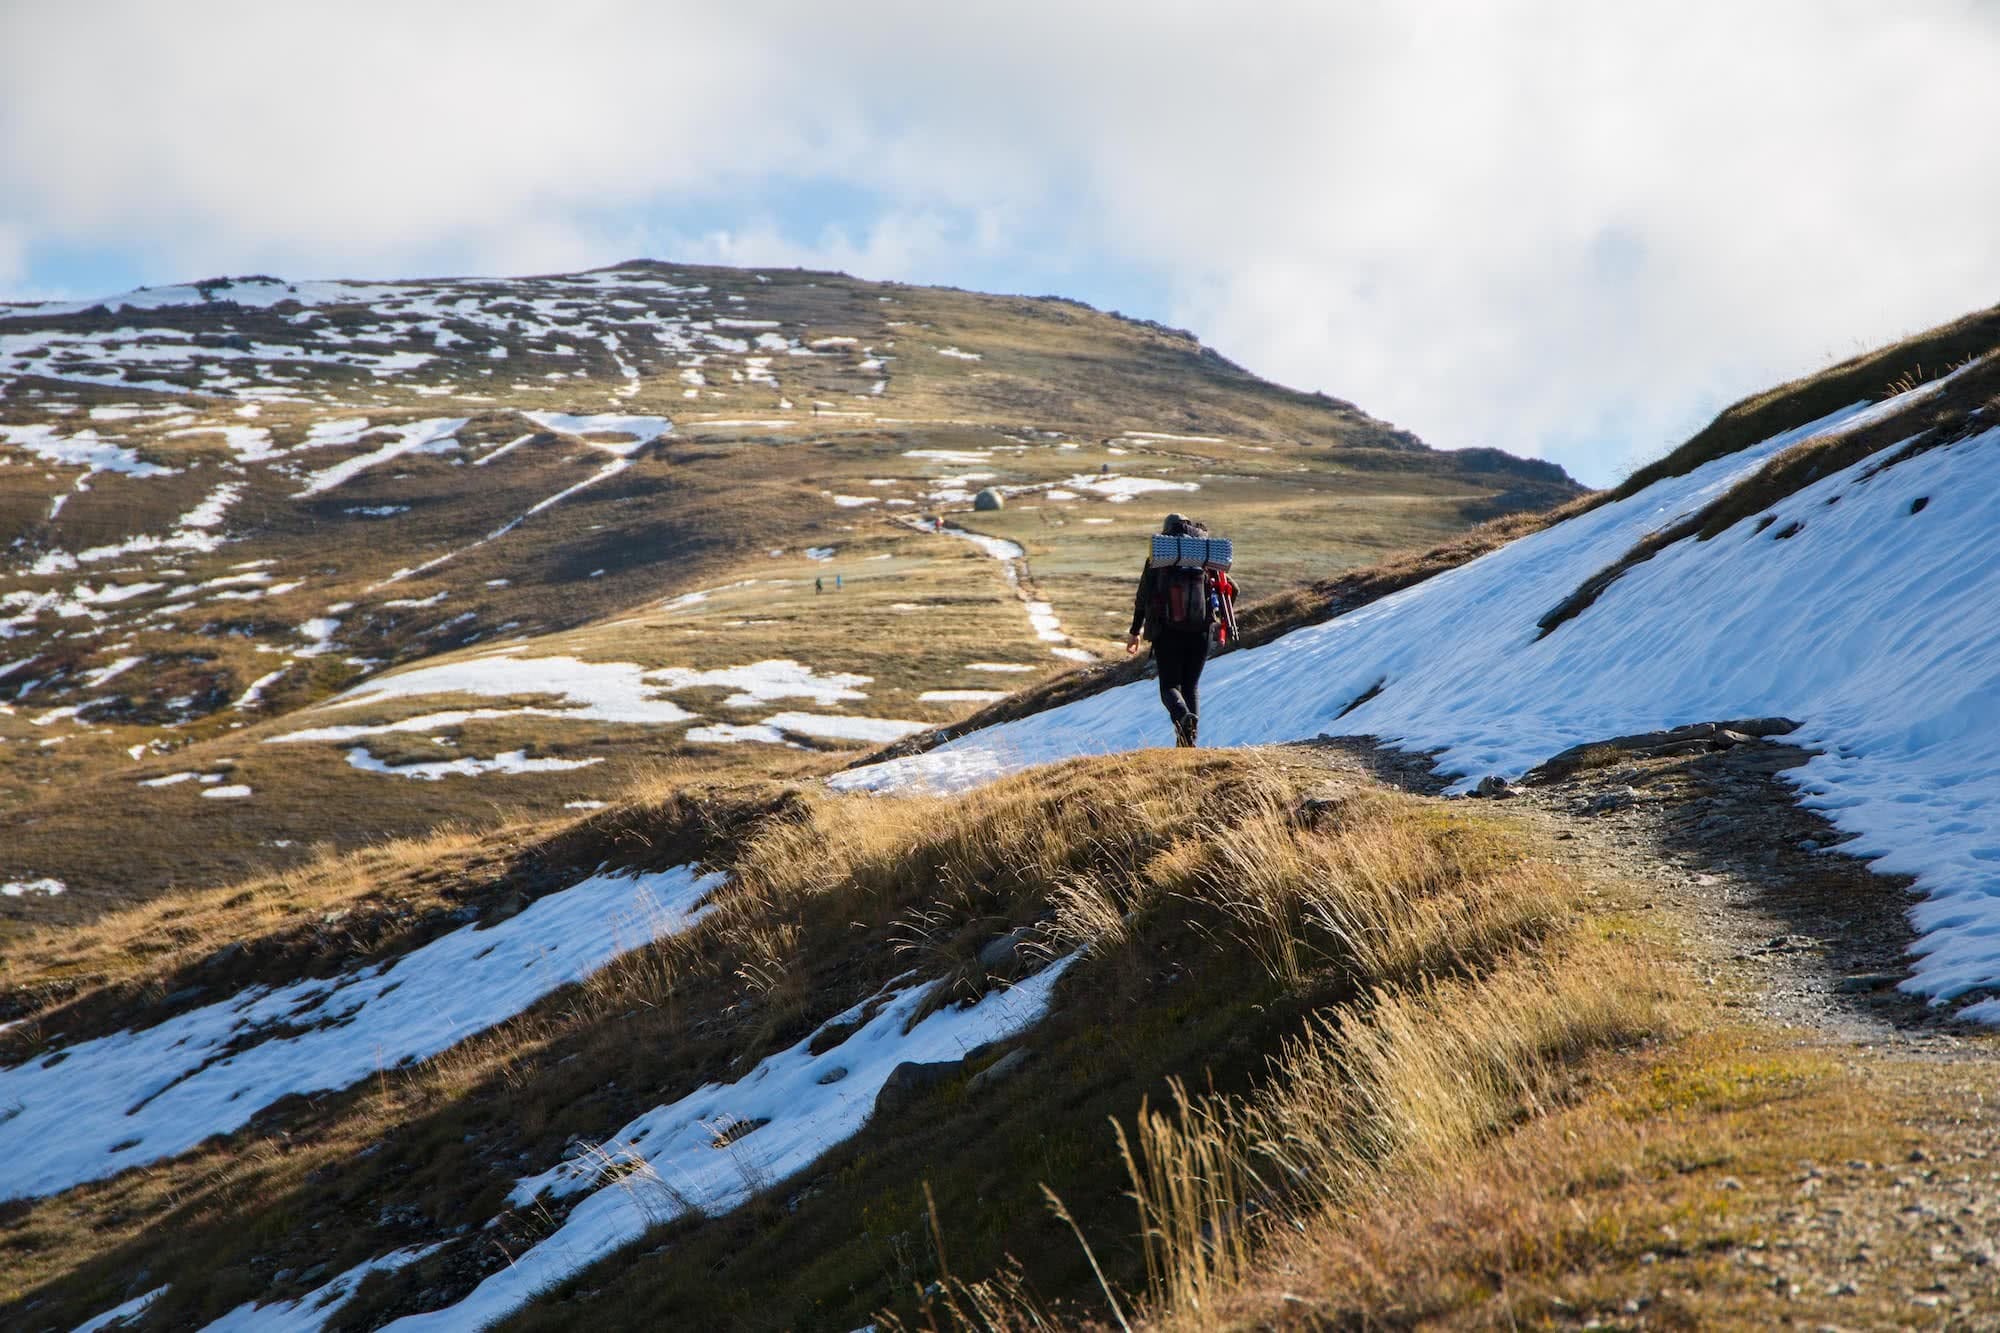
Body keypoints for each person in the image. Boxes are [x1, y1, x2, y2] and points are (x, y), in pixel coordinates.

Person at [1125, 513, 1232, 747]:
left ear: (1166, 531)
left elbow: (1142, 597)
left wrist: (1135, 632)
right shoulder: (1204, 554)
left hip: (1168, 631)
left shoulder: (1161, 555)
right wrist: (1221, 619)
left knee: (1170, 686)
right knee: (1191, 685)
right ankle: (1187, 743)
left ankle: (1183, 717)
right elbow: (1233, 589)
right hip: (1202, 630)